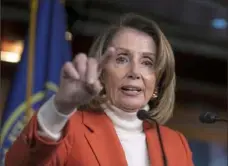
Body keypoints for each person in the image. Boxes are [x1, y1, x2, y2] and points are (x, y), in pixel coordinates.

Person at [5, 13, 194, 166]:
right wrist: (60, 107)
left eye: (147, 62)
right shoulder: (69, 128)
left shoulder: (175, 144)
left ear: (158, 81)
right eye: (122, 59)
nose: (135, 72)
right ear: (101, 72)